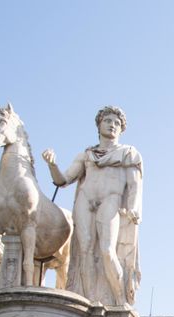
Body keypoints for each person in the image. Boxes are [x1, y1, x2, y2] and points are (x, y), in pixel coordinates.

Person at [43, 106, 143, 305]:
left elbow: (134, 185)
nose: (112, 125)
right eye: (108, 121)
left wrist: (133, 208)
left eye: (116, 123)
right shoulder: (87, 154)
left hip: (111, 200)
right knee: (84, 251)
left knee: (107, 249)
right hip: (85, 199)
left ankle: (120, 300)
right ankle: (88, 302)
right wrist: (52, 165)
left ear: (121, 129)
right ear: (99, 125)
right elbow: (63, 180)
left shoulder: (128, 153)